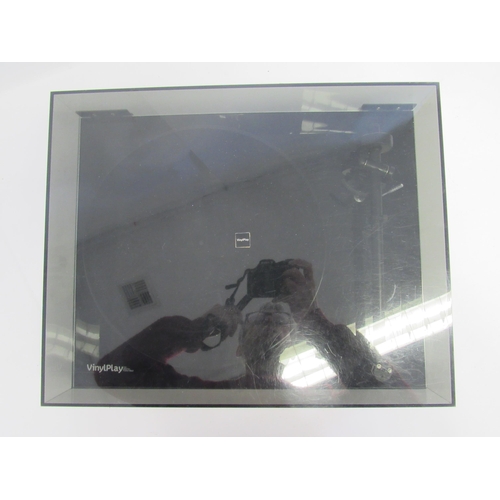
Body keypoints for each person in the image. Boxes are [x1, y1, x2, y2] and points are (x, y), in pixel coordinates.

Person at [94, 259, 393, 389]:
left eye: (280, 318)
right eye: (259, 317)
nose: (271, 312)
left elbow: (382, 391)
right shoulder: (206, 397)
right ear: (238, 347)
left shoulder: (314, 403)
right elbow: (110, 374)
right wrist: (199, 329)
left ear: (290, 339)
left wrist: (312, 316)